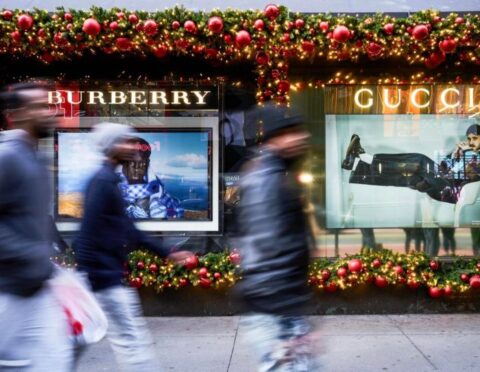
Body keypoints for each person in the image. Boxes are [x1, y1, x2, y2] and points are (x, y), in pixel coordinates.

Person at [73, 123, 193, 372]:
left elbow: (128, 229)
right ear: (111, 147)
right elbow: (88, 233)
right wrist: (89, 277)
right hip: (104, 279)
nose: (131, 147)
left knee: (104, 339)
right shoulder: (104, 182)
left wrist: (167, 253)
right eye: (124, 141)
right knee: (131, 341)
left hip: (106, 277)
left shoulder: (109, 180)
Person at [236, 103, 318, 371]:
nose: (301, 137)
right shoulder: (268, 181)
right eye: (290, 132)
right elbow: (269, 249)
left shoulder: (271, 175)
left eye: (299, 130)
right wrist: (288, 315)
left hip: (277, 304)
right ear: (274, 138)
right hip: (275, 305)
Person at [0, 82, 73, 371]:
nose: (50, 112)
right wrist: (29, 253)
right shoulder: (8, 158)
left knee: (54, 361)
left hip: (35, 288)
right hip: (9, 291)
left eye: (50, 104)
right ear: (16, 114)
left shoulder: (34, 157)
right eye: (39, 106)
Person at [341, 124, 480, 204]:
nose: (471, 142)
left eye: (475, 138)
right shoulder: (467, 153)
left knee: (419, 160)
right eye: (469, 139)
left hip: (455, 192)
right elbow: (443, 167)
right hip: (443, 187)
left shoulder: (475, 156)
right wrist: (455, 155)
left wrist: (468, 154)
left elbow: (470, 176)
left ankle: (365, 157)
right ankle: (356, 168)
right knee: (407, 176)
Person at [118, 136, 184, 219]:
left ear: (147, 163)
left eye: (142, 163)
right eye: (132, 162)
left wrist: (168, 213)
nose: (137, 167)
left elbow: (175, 209)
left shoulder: (156, 187)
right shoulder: (113, 186)